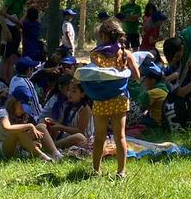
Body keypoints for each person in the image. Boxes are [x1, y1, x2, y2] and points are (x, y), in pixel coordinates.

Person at [83, 18, 139, 177]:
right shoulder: (125, 54)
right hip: (120, 98)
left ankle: (96, 170)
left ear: (103, 36)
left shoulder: (95, 54)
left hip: (101, 99)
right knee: (120, 135)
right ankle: (121, 172)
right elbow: (136, 76)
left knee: (99, 136)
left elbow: (93, 74)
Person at [0, 95, 59, 162]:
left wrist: (33, 142)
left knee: (40, 126)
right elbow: (7, 128)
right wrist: (30, 126)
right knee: (18, 132)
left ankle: (56, 154)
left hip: (16, 145)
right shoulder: (3, 112)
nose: (23, 110)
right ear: (14, 102)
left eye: (25, 108)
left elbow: (23, 136)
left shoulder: (23, 116)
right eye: (21, 107)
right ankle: (44, 158)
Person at [0, 0, 38, 83]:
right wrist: (5, 29)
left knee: (12, 57)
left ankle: (8, 81)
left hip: (15, 28)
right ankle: (1, 81)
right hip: (7, 27)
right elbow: (1, 13)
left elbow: (19, 16)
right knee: (5, 58)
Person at [48, 80, 93, 149]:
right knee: (44, 123)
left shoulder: (84, 108)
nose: (70, 93)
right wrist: (54, 123)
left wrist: (60, 127)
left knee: (79, 137)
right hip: (68, 135)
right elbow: (61, 123)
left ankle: (52, 144)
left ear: (82, 94)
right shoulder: (67, 105)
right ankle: (51, 142)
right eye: (69, 90)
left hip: (84, 138)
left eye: (74, 91)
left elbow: (80, 131)